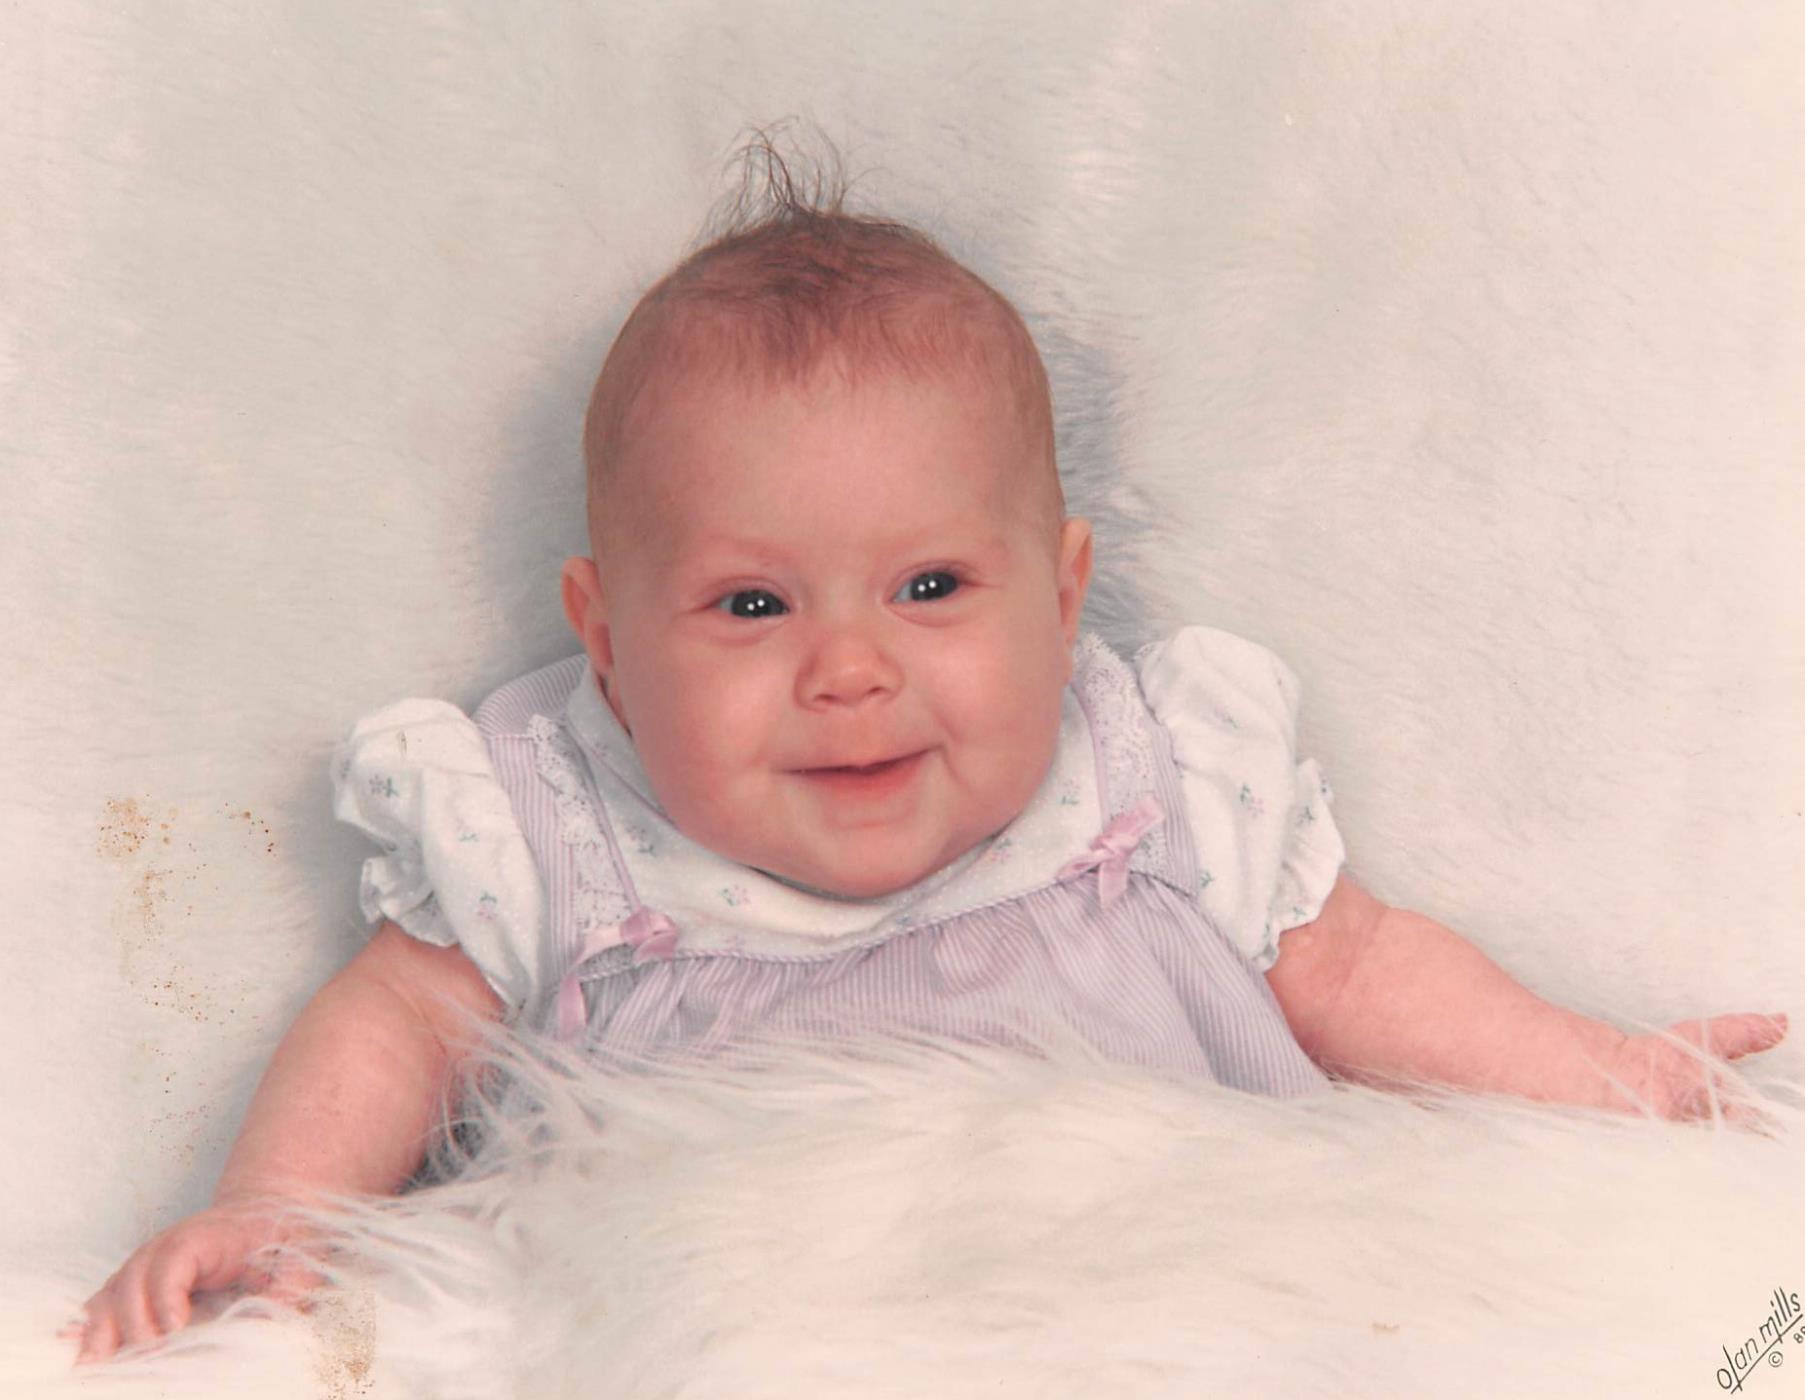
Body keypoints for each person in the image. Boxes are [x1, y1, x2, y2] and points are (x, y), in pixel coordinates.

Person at [75, 164, 1788, 1363]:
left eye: (930, 589)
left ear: (1063, 592)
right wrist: (274, 1209)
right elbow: (394, 1021)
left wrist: (1607, 1084)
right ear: (604, 642)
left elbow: (1355, 963)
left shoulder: (1155, 782)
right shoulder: (556, 833)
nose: (848, 671)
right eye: (752, 605)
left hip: (1170, 1312)